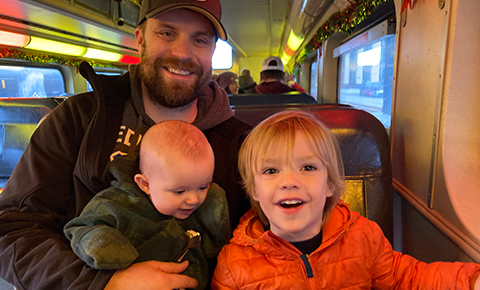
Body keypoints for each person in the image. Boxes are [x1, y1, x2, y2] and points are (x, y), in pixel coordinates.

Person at [0, 0, 252, 289]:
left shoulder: (241, 143)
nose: (183, 53)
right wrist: (105, 284)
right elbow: (12, 229)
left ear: (212, 51)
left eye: (199, 39)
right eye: (167, 33)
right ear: (141, 40)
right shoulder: (79, 120)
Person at [211, 111, 480, 289]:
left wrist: (472, 281)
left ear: (330, 184)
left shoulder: (363, 237)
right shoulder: (234, 266)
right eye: (271, 171)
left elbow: (407, 278)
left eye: (308, 168)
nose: (289, 181)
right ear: (254, 191)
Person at [64, 120, 231, 290]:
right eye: (179, 191)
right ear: (145, 184)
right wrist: (111, 251)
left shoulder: (201, 207)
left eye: (203, 187)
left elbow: (215, 248)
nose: (194, 200)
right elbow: (80, 227)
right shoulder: (117, 204)